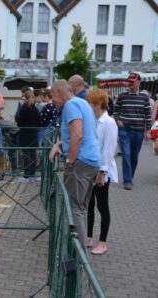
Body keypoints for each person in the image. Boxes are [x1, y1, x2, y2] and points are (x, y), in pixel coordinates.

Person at [49, 80, 100, 247]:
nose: (52, 100)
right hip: (91, 160)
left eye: (53, 96)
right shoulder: (82, 103)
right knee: (81, 208)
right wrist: (60, 144)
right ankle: (78, 254)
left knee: (74, 209)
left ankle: (78, 259)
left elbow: (77, 135)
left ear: (60, 92)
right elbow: (79, 135)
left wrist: (70, 160)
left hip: (81, 162)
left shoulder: (71, 105)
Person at [84, 90, 118, 255]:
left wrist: (103, 173)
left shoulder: (109, 122)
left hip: (102, 171)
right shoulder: (92, 120)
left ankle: (102, 242)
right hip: (90, 168)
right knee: (89, 205)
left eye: (90, 103)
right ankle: (89, 237)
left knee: (102, 206)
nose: (88, 106)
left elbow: (109, 149)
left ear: (98, 104)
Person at [113, 73, 151, 190]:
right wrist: (118, 120)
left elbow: (148, 115)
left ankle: (130, 176)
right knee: (126, 155)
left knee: (134, 157)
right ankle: (127, 180)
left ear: (139, 82)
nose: (131, 84)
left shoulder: (145, 97)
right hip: (124, 130)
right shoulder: (122, 96)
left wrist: (148, 131)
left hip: (139, 131)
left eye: (133, 81)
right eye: (129, 81)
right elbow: (115, 111)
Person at [17, 90, 41, 182]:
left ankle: (26, 176)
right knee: (32, 154)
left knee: (27, 154)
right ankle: (32, 174)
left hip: (25, 134)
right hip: (34, 134)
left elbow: (19, 122)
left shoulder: (23, 108)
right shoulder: (35, 108)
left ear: (25, 97)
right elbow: (39, 121)